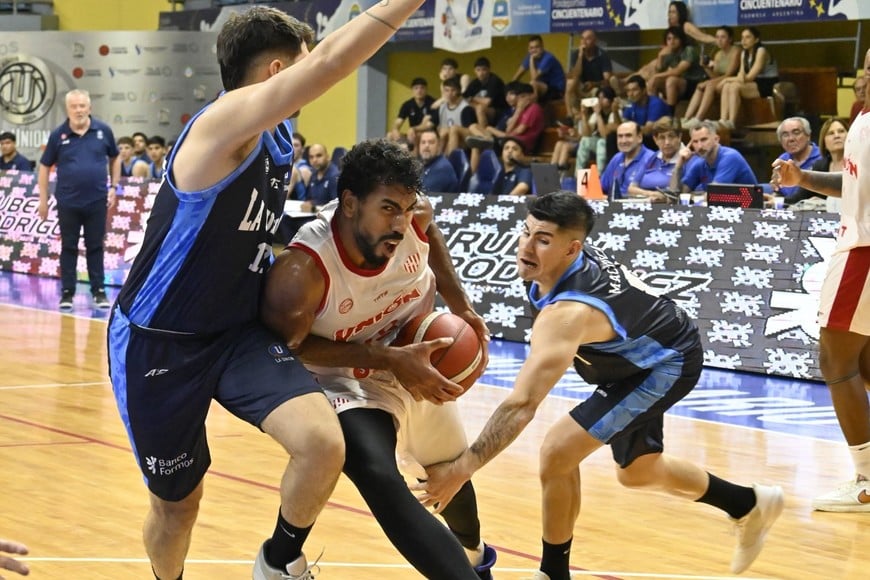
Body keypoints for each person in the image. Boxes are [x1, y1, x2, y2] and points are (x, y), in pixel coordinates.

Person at [105, 4, 428, 580]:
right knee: (178, 506)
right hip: (161, 343)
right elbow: (332, 61)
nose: (313, 79)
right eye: (301, 67)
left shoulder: (278, 136)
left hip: (233, 334)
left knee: (322, 442)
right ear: (279, 70)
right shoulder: (222, 124)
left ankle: (277, 563)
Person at [417, 190, 784, 579]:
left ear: (572, 249)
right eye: (526, 233)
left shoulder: (568, 313)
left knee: (557, 452)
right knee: (638, 471)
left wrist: (463, 468)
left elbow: (522, 404)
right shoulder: (550, 269)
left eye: (542, 240)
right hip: (636, 351)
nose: (526, 246)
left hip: (663, 363)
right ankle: (748, 504)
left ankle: (553, 573)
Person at [261, 139, 497, 580]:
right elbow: (290, 346)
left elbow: (429, 234)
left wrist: (460, 304)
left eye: (406, 209)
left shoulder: (413, 218)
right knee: (378, 475)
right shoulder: (303, 273)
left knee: (450, 473)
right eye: (389, 208)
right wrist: (385, 359)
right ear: (349, 203)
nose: (401, 222)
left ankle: (474, 557)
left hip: (415, 355)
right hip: (345, 376)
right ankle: (279, 561)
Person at [771, 49, 870, 513]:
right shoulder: (862, 120)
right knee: (863, 359)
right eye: (865, 66)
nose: (864, 75)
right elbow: (853, 186)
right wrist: (802, 177)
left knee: (835, 357)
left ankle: (867, 482)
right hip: (858, 242)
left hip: (864, 250)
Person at [37, 89, 120, 311]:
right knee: (69, 247)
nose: (79, 110)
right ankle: (67, 292)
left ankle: (98, 291)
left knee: (95, 246)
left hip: (96, 201)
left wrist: (114, 187)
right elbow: (44, 166)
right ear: (68, 109)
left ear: (89, 108)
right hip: (68, 202)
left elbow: (115, 157)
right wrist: (42, 199)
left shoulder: (103, 131)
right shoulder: (58, 135)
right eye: (74, 106)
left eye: (82, 106)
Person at [717, 27, 778, 130]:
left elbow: (749, 77)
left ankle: (731, 122)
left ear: (756, 39)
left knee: (733, 87)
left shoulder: (761, 51)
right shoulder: (744, 53)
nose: (743, 41)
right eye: (742, 37)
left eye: (748, 37)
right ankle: (723, 120)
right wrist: (731, 80)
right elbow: (741, 74)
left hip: (767, 83)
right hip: (752, 83)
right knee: (728, 86)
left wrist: (726, 79)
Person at [670, 121, 756, 192]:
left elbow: (714, 195)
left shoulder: (730, 157)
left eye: (704, 140)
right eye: (695, 142)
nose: (699, 146)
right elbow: (678, 195)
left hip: (748, 209)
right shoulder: (700, 163)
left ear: (716, 139)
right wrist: (678, 165)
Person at [681, 25, 741, 127]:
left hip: (731, 81)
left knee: (709, 85)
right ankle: (686, 118)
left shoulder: (736, 51)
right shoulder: (718, 54)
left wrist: (711, 82)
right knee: (700, 86)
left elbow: (729, 74)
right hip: (720, 81)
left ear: (730, 39)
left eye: (723, 37)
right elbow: (715, 76)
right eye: (717, 37)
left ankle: (698, 118)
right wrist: (706, 67)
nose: (719, 40)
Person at [785, 117, 848, 210]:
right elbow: (799, 197)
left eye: (841, 131)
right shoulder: (820, 166)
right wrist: (777, 200)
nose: (837, 136)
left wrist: (823, 204)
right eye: (831, 133)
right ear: (824, 142)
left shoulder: (858, 164)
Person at [644, 27, 707, 113]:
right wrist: (660, 56)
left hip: (695, 83)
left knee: (671, 80)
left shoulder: (689, 50)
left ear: (681, 39)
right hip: (679, 85)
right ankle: (654, 111)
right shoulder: (669, 52)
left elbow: (677, 71)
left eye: (675, 38)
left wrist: (656, 75)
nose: (672, 41)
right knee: (654, 82)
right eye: (669, 39)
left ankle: (670, 114)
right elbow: (658, 72)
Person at [627, 116, 685, 202]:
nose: (667, 142)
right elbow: (631, 189)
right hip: (645, 204)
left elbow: (679, 194)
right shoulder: (653, 157)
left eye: (671, 136)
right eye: (662, 137)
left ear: (679, 137)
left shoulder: (687, 160)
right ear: (655, 140)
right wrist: (651, 194)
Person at [599, 121, 656, 199]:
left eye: (628, 136)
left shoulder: (652, 159)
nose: (623, 141)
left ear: (639, 138)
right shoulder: (616, 158)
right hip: (613, 208)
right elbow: (601, 187)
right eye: (620, 136)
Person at [564, 29, 613, 116]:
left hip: (596, 89)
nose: (584, 42)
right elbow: (575, 75)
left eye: (588, 39)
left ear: (595, 41)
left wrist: (593, 84)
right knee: (570, 83)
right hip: (582, 88)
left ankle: (589, 115)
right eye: (582, 38)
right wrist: (580, 56)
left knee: (601, 92)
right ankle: (570, 116)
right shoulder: (576, 54)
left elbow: (607, 80)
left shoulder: (603, 55)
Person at [772, 117, 821, 198]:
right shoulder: (782, 159)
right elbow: (778, 192)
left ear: (808, 135)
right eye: (785, 135)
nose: (791, 139)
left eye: (796, 133)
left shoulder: (822, 158)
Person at [574, 86, 618, 170]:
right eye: (599, 98)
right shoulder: (595, 114)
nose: (600, 101)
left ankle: (600, 176)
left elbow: (604, 135)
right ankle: (579, 176)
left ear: (611, 99)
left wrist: (598, 115)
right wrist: (584, 115)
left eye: (604, 97)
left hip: (612, 145)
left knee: (601, 142)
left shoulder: (615, 113)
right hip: (598, 145)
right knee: (584, 141)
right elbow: (586, 134)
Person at [511, 35, 566, 102]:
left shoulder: (548, 58)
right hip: (543, 88)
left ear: (542, 47)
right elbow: (516, 76)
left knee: (533, 84)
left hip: (557, 90)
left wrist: (531, 59)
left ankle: (534, 107)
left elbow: (534, 78)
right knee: (520, 90)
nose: (534, 50)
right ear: (528, 49)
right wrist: (510, 90)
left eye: (537, 47)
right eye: (531, 48)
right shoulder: (529, 56)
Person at [388, 77, 436, 150]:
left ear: (426, 90)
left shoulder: (432, 103)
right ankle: (390, 159)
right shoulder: (407, 104)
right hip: (412, 133)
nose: (419, 91)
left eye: (422, 88)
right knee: (390, 135)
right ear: (412, 90)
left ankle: (414, 160)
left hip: (429, 133)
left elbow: (428, 126)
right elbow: (399, 121)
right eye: (416, 88)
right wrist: (395, 129)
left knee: (416, 135)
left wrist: (413, 129)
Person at [463, 57, 507, 129]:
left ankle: (484, 135)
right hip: (484, 110)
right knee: (466, 107)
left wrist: (472, 98)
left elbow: (487, 102)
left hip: (500, 111)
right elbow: (464, 98)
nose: (481, 73)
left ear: (489, 70)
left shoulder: (495, 81)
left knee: (480, 108)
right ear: (474, 71)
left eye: (484, 70)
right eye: (478, 70)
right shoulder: (475, 83)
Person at [418, 127, 460, 193]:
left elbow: (424, 195)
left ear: (439, 146)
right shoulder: (425, 163)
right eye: (423, 142)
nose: (426, 146)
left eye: (431, 142)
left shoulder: (442, 168)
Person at [303, 143, 340, 212]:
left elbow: (338, 208)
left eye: (319, 156)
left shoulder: (334, 176)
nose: (314, 160)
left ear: (328, 157)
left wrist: (313, 209)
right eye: (311, 157)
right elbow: (308, 199)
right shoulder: (314, 174)